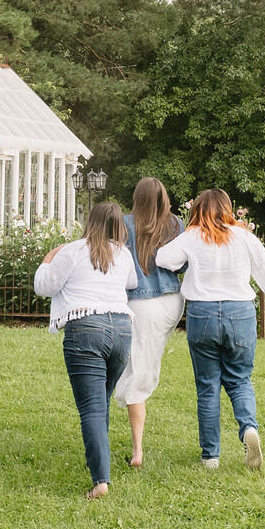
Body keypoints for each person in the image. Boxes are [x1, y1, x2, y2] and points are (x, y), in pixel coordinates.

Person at [157, 188, 265, 471]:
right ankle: (248, 429)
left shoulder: (192, 236)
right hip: (240, 313)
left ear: (197, 210)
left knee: (207, 386)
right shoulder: (244, 236)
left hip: (203, 314)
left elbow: (162, 259)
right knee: (240, 379)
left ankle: (211, 457)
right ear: (228, 209)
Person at [34, 201, 137, 500]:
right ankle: (99, 463)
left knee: (91, 407)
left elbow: (44, 286)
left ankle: (100, 481)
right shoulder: (124, 254)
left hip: (86, 328)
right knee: (101, 401)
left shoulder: (73, 250)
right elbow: (131, 282)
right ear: (119, 226)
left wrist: (47, 258)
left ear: (89, 221)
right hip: (121, 330)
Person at [113, 178, 185, 468]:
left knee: (137, 375)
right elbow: (185, 265)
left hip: (139, 305)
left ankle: (138, 451)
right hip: (172, 302)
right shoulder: (175, 225)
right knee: (145, 362)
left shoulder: (123, 224)